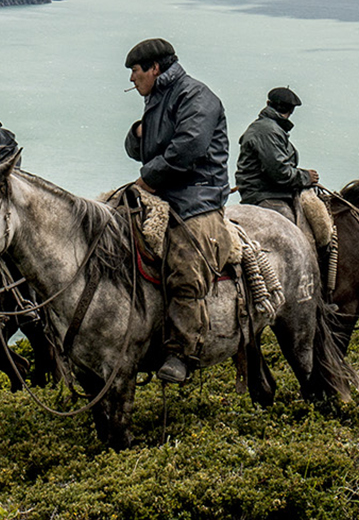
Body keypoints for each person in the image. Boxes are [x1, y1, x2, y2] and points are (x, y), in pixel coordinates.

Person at [122, 37, 230, 382]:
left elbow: (190, 146)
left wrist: (149, 179)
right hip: (164, 191)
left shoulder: (196, 95)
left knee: (184, 264)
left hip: (196, 196)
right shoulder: (157, 98)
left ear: (155, 68)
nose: (131, 79)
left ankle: (184, 352)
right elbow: (141, 149)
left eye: (135, 71)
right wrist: (138, 134)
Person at [234, 86, 318, 221]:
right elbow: (280, 172)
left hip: (265, 193)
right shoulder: (269, 131)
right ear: (291, 110)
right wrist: (306, 177)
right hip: (266, 195)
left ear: (268, 104)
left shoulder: (268, 128)